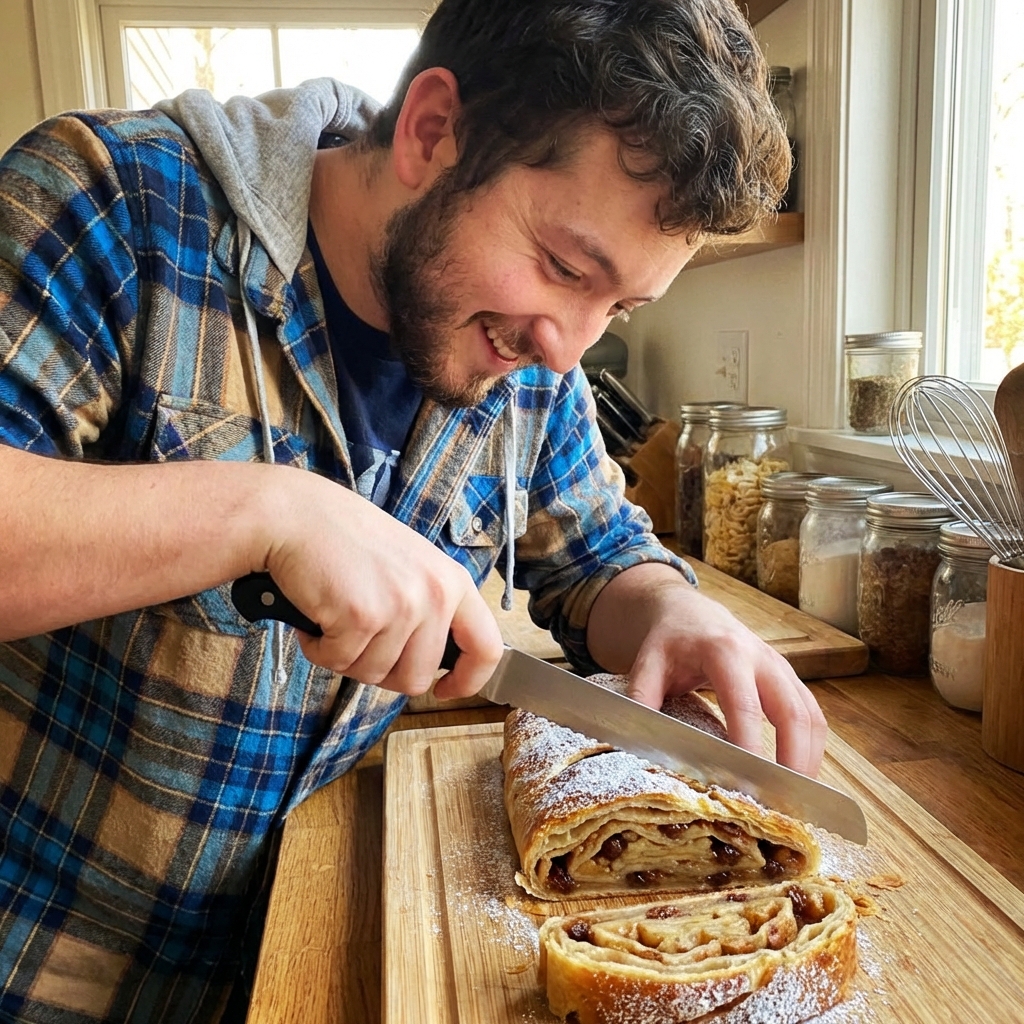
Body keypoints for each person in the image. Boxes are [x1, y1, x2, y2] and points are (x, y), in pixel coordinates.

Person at [0, 0, 827, 1018]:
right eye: (567, 269)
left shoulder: (527, 355)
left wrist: (670, 609)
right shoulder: (112, 204)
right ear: (433, 132)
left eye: (616, 308)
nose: (572, 346)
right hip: (42, 968)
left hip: (304, 949)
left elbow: (599, 552)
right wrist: (265, 509)